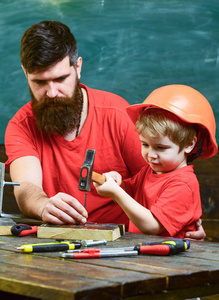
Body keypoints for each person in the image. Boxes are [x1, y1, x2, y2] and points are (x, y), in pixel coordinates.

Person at [4, 21, 205, 239]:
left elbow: (163, 180)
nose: (52, 92)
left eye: (61, 79)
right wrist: (43, 205)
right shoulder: (21, 125)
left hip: (128, 244)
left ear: (78, 67)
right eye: (40, 82)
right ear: (25, 73)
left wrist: (182, 220)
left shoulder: (117, 113)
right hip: (58, 242)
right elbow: (26, 189)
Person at [94, 85, 218, 238]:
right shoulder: (150, 171)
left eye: (160, 147)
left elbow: (152, 226)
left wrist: (116, 192)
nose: (151, 155)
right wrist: (115, 181)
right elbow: (130, 190)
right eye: (145, 144)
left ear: (189, 144)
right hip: (146, 255)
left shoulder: (183, 184)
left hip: (172, 261)